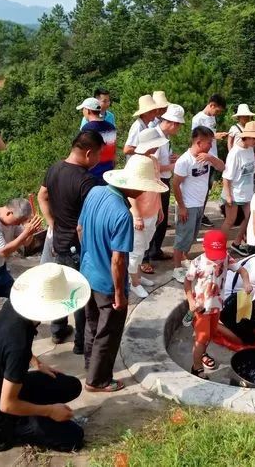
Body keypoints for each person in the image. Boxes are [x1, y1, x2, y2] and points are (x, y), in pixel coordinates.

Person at [0, 263, 90, 452]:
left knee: (71, 385)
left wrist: (37, 363)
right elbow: (7, 404)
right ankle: (19, 428)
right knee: (74, 438)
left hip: (2, 387)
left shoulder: (15, 308)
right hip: (1, 416)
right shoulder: (18, 344)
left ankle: (36, 413)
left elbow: (7, 348)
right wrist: (50, 411)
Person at [79, 155, 168, 392]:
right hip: (107, 283)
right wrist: (120, 293)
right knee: (108, 332)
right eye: (144, 188)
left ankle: (91, 367)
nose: (144, 193)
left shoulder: (95, 193)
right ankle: (97, 381)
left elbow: (80, 228)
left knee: (92, 325)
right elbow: (118, 261)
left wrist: (90, 254)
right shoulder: (122, 214)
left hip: (87, 273)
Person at [38, 130, 103, 352]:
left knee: (62, 287)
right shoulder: (87, 180)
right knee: (81, 294)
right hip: (77, 246)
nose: (98, 161)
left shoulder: (55, 168)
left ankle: (57, 330)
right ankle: (81, 344)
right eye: (98, 156)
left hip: (59, 242)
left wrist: (52, 223)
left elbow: (42, 196)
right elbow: (84, 223)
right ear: (88, 153)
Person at [184, 230, 251, 379]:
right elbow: (187, 282)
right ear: (203, 247)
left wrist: (246, 283)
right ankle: (196, 368)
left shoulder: (225, 257)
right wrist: (190, 300)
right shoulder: (197, 263)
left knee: (210, 334)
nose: (216, 258)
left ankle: (202, 353)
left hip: (217, 305)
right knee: (201, 337)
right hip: (201, 307)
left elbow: (242, 271)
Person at [172, 126, 225, 274]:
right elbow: (175, 184)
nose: (210, 146)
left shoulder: (207, 157)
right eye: (209, 143)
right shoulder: (185, 160)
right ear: (199, 142)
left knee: (192, 235)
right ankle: (176, 268)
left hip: (200, 203)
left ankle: (184, 258)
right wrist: (182, 207)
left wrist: (210, 158)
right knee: (182, 237)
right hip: (188, 205)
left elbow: (222, 167)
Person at [128, 128, 168, 298]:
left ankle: (137, 276)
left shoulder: (153, 160)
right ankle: (133, 282)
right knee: (136, 250)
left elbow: (157, 186)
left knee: (144, 246)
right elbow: (129, 191)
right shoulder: (135, 162)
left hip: (152, 209)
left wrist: (159, 208)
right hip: (140, 213)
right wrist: (136, 215)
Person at [221, 121, 255, 256]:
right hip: (234, 191)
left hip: (247, 191)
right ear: (246, 136)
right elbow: (226, 176)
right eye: (254, 138)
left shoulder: (250, 149)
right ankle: (219, 246)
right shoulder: (235, 153)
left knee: (250, 217)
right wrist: (228, 195)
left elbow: (249, 169)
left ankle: (236, 243)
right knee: (230, 220)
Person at [146, 104, 185, 262]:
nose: (178, 129)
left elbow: (162, 159)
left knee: (161, 221)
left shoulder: (165, 138)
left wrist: (172, 159)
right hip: (156, 181)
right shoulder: (156, 137)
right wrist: (173, 166)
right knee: (154, 220)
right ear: (173, 123)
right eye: (179, 126)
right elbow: (152, 164)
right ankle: (146, 256)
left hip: (164, 179)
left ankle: (156, 250)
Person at [192, 94, 229, 227]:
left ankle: (201, 213)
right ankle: (197, 213)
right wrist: (214, 136)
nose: (217, 113)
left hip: (212, 156)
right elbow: (196, 137)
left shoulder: (212, 118)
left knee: (208, 187)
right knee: (201, 186)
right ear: (211, 105)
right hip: (202, 157)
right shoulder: (198, 118)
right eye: (217, 110)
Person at [78, 97, 117, 181]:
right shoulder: (111, 127)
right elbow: (113, 150)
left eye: (83, 109)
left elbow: (83, 152)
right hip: (108, 171)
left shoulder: (87, 128)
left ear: (88, 110)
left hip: (93, 172)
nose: (82, 112)